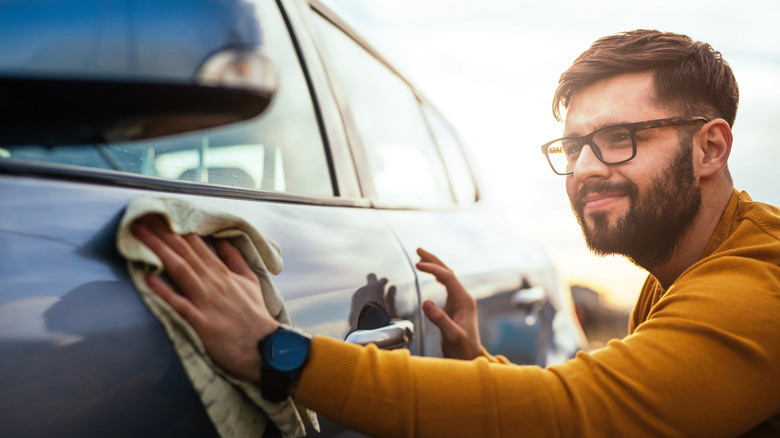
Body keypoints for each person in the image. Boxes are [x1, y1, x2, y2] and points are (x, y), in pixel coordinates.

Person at [132, 29, 780, 437]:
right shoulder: (686, 265)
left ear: (710, 148)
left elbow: (585, 414)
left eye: (619, 140)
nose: (585, 170)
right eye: (574, 145)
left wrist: (283, 353)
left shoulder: (757, 288)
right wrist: (479, 366)